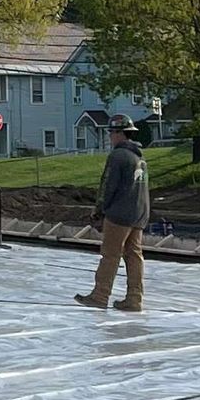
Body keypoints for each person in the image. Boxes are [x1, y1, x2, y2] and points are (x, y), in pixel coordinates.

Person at [77, 114, 149, 313]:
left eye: (112, 133)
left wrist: (99, 211)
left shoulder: (118, 156)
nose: (110, 137)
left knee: (110, 255)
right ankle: (134, 299)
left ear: (120, 133)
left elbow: (108, 186)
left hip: (119, 214)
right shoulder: (139, 157)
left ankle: (100, 295)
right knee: (134, 256)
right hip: (139, 214)